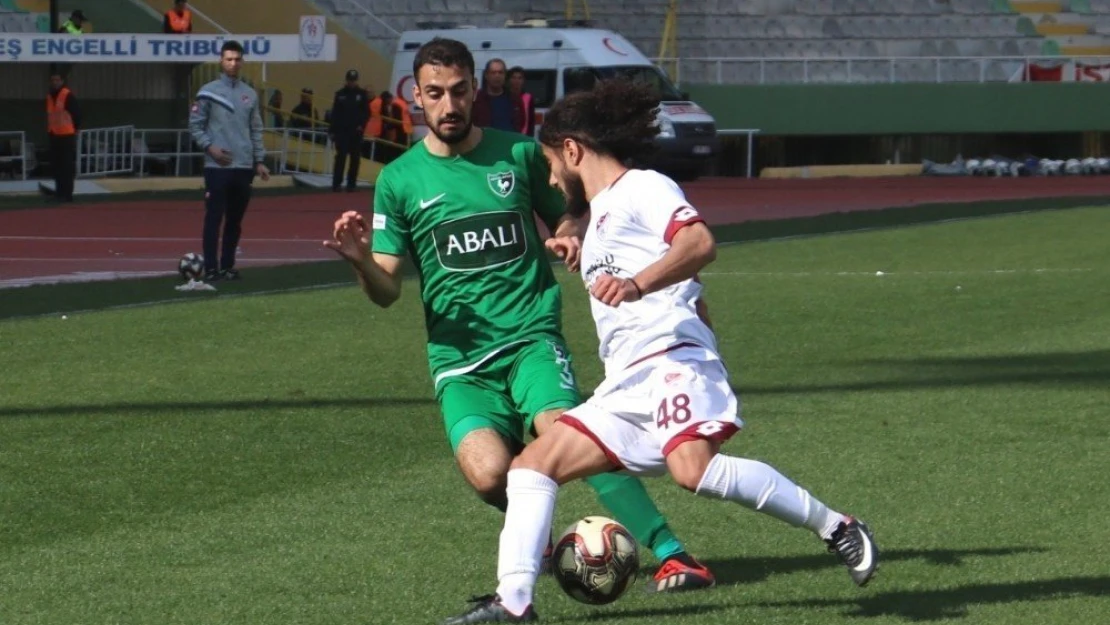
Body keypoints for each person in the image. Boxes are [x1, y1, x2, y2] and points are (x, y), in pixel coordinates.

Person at [441, 78, 880, 624]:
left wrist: (638, 285)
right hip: (625, 384)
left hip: (671, 362)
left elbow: (698, 243)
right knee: (534, 464)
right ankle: (515, 604)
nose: (551, 177)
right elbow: (623, 245)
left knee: (691, 471)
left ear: (573, 150)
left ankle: (837, 526)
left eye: (553, 163)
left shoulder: (645, 186)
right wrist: (575, 236)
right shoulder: (598, 215)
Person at [323, 37, 716, 598]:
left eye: (460, 91)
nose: (449, 105)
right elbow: (387, 291)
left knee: (567, 430)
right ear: (416, 96)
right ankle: (560, 548)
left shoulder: (519, 154)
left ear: (475, 88)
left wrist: (567, 236)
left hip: (531, 336)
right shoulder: (399, 180)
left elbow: (574, 214)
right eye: (436, 94)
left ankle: (673, 552)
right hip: (459, 360)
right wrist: (362, 260)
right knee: (488, 475)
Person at [188, 40, 270, 282]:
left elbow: (255, 129)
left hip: (244, 167)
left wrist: (259, 160)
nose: (233, 63)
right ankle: (211, 268)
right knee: (214, 218)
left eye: (237, 59)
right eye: (229, 59)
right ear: (221, 61)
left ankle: (227, 266)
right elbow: (195, 125)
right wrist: (210, 147)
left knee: (235, 221)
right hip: (217, 167)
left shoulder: (250, 94)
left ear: (242, 62)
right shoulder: (207, 91)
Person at [328, 69, 369, 192]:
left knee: (355, 159)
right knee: (340, 158)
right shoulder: (340, 94)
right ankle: (337, 183)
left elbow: (366, 112)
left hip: (356, 132)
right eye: (350, 80)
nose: (352, 82)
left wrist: (361, 125)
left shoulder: (361, 94)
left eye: (354, 80)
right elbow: (335, 113)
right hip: (342, 132)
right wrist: (332, 130)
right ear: (346, 80)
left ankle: (351, 184)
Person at [46, 72, 80, 203]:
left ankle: (67, 195)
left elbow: (76, 113)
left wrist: (75, 128)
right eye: (52, 80)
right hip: (54, 133)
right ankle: (59, 193)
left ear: (62, 81)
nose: (55, 82)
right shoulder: (50, 96)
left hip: (66, 134)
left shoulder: (67, 95)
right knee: (57, 166)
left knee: (66, 166)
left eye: (57, 80)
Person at [472, 58, 525, 133]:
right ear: (486, 75)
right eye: (493, 72)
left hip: (510, 142)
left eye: (500, 72)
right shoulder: (476, 99)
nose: (497, 76)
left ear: (505, 75)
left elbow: (521, 122)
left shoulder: (515, 100)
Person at [365, 91, 412, 164]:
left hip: (401, 130)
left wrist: (388, 126)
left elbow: (394, 120)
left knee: (395, 150)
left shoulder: (395, 105)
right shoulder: (398, 103)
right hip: (405, 129)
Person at [507, 66, 535, 137]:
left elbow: (531, 121)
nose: (516, 81)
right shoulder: (504, 96)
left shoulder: (528, 97)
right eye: (514, 77)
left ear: (523, 81)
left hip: (523, 136)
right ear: (509, 80)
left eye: (519, 78)